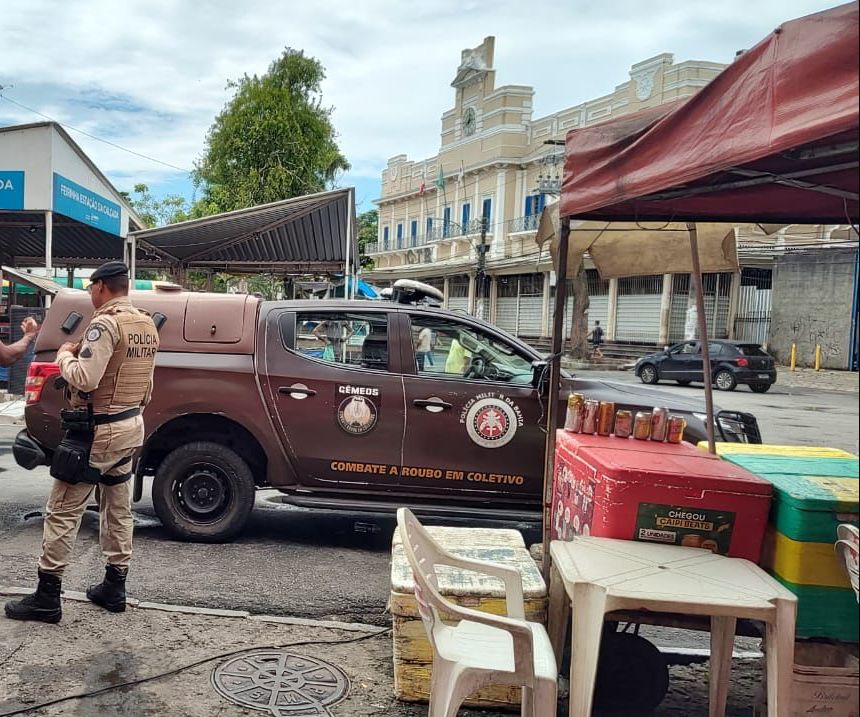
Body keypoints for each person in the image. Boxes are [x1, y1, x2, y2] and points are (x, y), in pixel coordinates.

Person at [5, 262, 160, 624]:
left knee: (62, 510)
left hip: (97, 433)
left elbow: (86, 378)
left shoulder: (105, 324)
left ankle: (47, 597)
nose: (91, 294)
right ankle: (114, 586)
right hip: (129, 427)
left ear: (102, 287)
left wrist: (64, 354)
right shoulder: (146, 324)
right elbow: (148, 384)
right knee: (117, 509)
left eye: (92, 287)